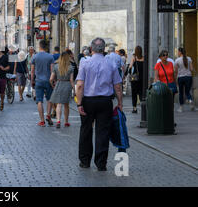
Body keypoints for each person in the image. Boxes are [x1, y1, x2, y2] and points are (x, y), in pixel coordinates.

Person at [76, 38, 123, 171]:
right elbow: (118, 86)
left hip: (88, 101)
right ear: (104, 49)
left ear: (91, 49)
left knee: (86, 130)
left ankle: (85, 161)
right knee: (103, 132)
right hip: (105, 101)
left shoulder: (84, 63)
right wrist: (119, 103)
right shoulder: (111, 64)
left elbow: (80, 85)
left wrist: (79, 103)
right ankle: (101, 163)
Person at [31, 40, 55, 126]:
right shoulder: (50, 57)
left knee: (39, 100)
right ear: (46, 47)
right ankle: (48, 115)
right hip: (48, 81)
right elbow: (52, 70)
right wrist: (53, 81)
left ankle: (42, 121)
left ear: (39, 46)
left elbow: (32, 71)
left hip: (38, 81)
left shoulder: (35, 57)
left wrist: (32, 81)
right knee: (49, 99)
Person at [50, 52, 75, 128]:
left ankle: (58, 120)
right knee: (66, 104)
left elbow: (51, 79)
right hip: (67, 85)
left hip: (59, 84)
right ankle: (66, 122)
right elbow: (71, 80)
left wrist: (53, 85)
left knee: (59, 104)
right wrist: (74, 89)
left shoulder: (56, 66)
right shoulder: (70, 67)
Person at [175, 47, 194, 112]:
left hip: (181, 77)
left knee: (181, 92)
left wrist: (175, 79)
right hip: (188, 77)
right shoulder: (189, 59)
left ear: (180, 52)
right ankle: (191, 102)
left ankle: (181, 107)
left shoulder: (177, 60)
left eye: (178, 51)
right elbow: (191, 69)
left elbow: (176, 71)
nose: (177, 53)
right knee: (187, 92)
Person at [128, 46, 144, 114]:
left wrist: (132, 61)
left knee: (134, 94)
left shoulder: (134, 58)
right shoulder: (144, 58)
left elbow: (130, 68)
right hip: (142, 78)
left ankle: (134, 108)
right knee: (141, 93)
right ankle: (143, 107)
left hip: (134, 79)